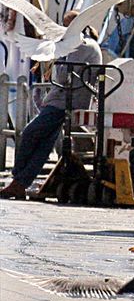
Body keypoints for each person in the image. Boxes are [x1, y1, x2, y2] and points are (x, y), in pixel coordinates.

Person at [1, 13, 103, 199]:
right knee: (43, 145)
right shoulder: (79, 44)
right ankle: (20, 183)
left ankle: (18, 178)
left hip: (66, 101)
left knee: (29, 133)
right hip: (63, 98)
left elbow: (62, 76)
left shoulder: (82, 45)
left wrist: (57, 56)